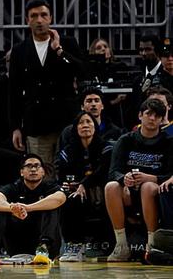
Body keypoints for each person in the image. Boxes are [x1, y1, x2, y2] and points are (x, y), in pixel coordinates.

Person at [9, 0, 85, 164]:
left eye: (43, 15)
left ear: (50, 18)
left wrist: (59, 50)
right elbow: (14, 92)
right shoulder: (19, 50)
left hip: (65, 121)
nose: (39, 20)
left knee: (68, 169)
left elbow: (82, 70)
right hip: (36, 124)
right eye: (34, 16)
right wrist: (15, 127)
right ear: (27, 20)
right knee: (40, 170)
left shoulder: (67, 43)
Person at [105, 98, 173, 261]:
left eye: (157, 116)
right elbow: (113, 172)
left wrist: (151, 178)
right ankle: (121, 245)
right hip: (128, 191)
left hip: (155, 190)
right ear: (140, 115)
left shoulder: (169, 142)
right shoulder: (125, 140)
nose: (152, 118)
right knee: (111, 186)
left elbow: (171, 174)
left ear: (162, 120)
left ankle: (152, 244)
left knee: (147, 186)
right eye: (149, 114)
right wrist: (124, 178)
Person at [0, 154, 66, 265]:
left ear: (43, 171)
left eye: (37, 166)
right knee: (0, 208)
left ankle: (43, 248)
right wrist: (12, 208)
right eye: (29, 166)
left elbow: (60, 198)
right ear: (21, 172)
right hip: (16, 243)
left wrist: (28, 208)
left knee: (51, 206)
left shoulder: (51, 187)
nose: (33, 169)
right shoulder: (13, 187)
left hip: (44, 241)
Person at [56, 112, 113, 262]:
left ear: (95, 127)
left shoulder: (106, 147)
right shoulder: (67, 151)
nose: (85, 125)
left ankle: (107, 244)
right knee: (67, 197)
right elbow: (63, 175)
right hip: (77, 190)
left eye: (89, 122)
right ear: (75, 128)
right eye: (81, 123)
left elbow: (103, 171)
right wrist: (71, 184)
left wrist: (84, 184)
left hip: (102, 189)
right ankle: (74, 245)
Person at [58, 88, 125, 150]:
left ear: (102, 106)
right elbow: (59, 156)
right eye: (89, 101)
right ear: (82, 107)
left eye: (96, 100)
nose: (93, 104)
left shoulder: (116, 132)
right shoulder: (68, 132)